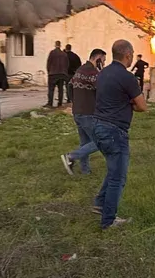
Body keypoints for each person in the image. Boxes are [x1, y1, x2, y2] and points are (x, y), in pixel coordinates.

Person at [92, 39, 147, 230]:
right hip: (115, 131)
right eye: (132, 54)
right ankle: (108, 221)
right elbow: (142, 106)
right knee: (118, 177)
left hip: (98, 127)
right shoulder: (127, 77)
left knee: (113, 169)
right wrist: (129, 103)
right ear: (128, 54)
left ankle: (100, 202)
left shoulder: (103, 73)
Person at [61, 48, 106, 176]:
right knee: (100, 141)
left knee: (85, 143)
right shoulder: (93, 73)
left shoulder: (80, 70)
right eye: (102, 61)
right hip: (88, 112)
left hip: (77, 111)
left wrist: (75, 101)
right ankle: (70, 156)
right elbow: (102, 89)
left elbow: (70, 86)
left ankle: (85, 171)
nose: (103, 63)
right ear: (97, 59)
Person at [46, 40, 68, 107]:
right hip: (62, 74)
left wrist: (49, 71)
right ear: (60, 45)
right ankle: (60, 103)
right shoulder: (64, 54)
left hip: (53, 73)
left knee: (51, 89)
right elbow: (67, 64)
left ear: (55, 45)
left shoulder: (52, 53)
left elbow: (48, 63)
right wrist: (64, 72)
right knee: (60, 89)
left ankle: (50, 103)